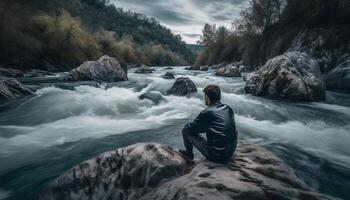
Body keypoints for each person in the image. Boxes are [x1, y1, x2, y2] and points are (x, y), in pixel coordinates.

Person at [179, 85, 237, 163]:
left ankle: (189, 154)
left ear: (207, 97)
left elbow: (191, 129)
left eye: (205, 96)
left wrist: (187, 125)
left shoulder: (207, 112)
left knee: (185, 131)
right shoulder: (228, 109)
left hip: (216, 154)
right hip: (230, 152)